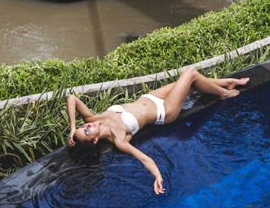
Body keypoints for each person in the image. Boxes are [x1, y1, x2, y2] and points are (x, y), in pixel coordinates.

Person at [66, 68, 249, 195]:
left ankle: (229, 82)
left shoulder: (93, 119)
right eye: (87, 132)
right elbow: (145, 159)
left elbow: (71, 97)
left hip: (150, 97)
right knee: (190, 75)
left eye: (84, 127)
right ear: (95, 140)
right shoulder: (119, 139)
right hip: (165, 111)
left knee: (190, 84)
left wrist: (73, 127)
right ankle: (224, 93)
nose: (87, 126)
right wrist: (158, 176)